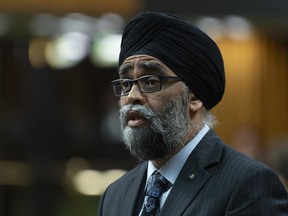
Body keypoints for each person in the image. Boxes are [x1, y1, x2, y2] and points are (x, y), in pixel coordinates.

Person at [97, 11, 288, 216]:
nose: (132, 96)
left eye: (151, 82)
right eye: (126, 84)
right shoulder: (115, 194)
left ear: (194, 96)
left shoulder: (248, 184)